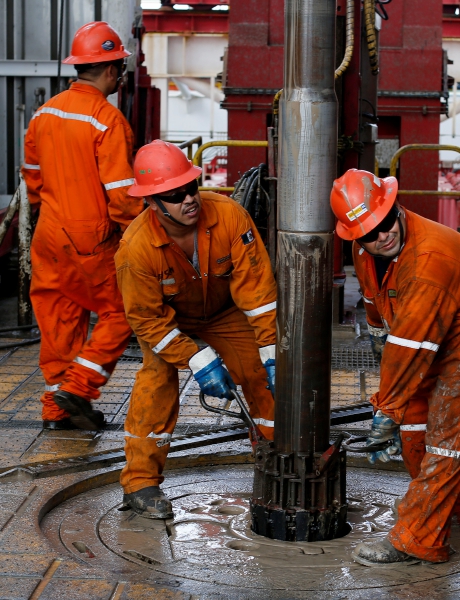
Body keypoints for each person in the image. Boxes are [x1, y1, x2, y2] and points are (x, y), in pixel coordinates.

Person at [115, 140, 276, 519]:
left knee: (262, 372)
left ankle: (274, 459)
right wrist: (198, 359)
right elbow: (147, 320)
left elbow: (259, 292)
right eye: (175, 194)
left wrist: (270, 348)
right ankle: (140, 483)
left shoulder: (229, 215)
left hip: (224, 311)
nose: (189, 199)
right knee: (156, 381)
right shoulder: (135, 249)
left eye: (191, 187)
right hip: (168, 321)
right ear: (152, 202)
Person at [330, 168, 460, 566]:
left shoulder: (430, 259)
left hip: (451, 348)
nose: (382, 235)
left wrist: (385, 409)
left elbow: (411, 348)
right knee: (414, 431)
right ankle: (443, 509)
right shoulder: (365, 248)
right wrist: (375, 336)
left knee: (445, 444)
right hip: (426, 342)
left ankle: (416, 540)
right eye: (370, 232)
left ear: (396, 207)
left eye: (386, 222)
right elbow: (377, 307)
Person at [21, 21, 143, 431]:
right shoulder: (107, 120)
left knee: (59, 318)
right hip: (89, 237)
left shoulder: (45, 113)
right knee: (123, 310)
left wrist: (48, 211)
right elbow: (123, 195)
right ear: (111, 70)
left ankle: (57, 410)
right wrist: (139, 236)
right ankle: (79, 386)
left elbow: (32, 178)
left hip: (48, 234)